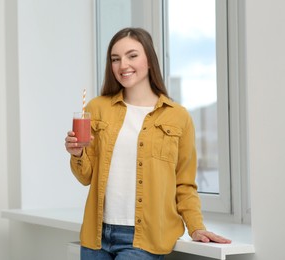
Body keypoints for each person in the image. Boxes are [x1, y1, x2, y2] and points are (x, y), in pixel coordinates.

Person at [65, 27, 231, 260]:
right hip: (96, 236)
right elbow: (86, 177)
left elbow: (184, 184)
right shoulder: (96, 108)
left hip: (144, 239)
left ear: (150, 60)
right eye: (115, 59)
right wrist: (77, 153)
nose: (123, 65)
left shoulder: (178, 117)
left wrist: (196, 226)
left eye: (132, 56)